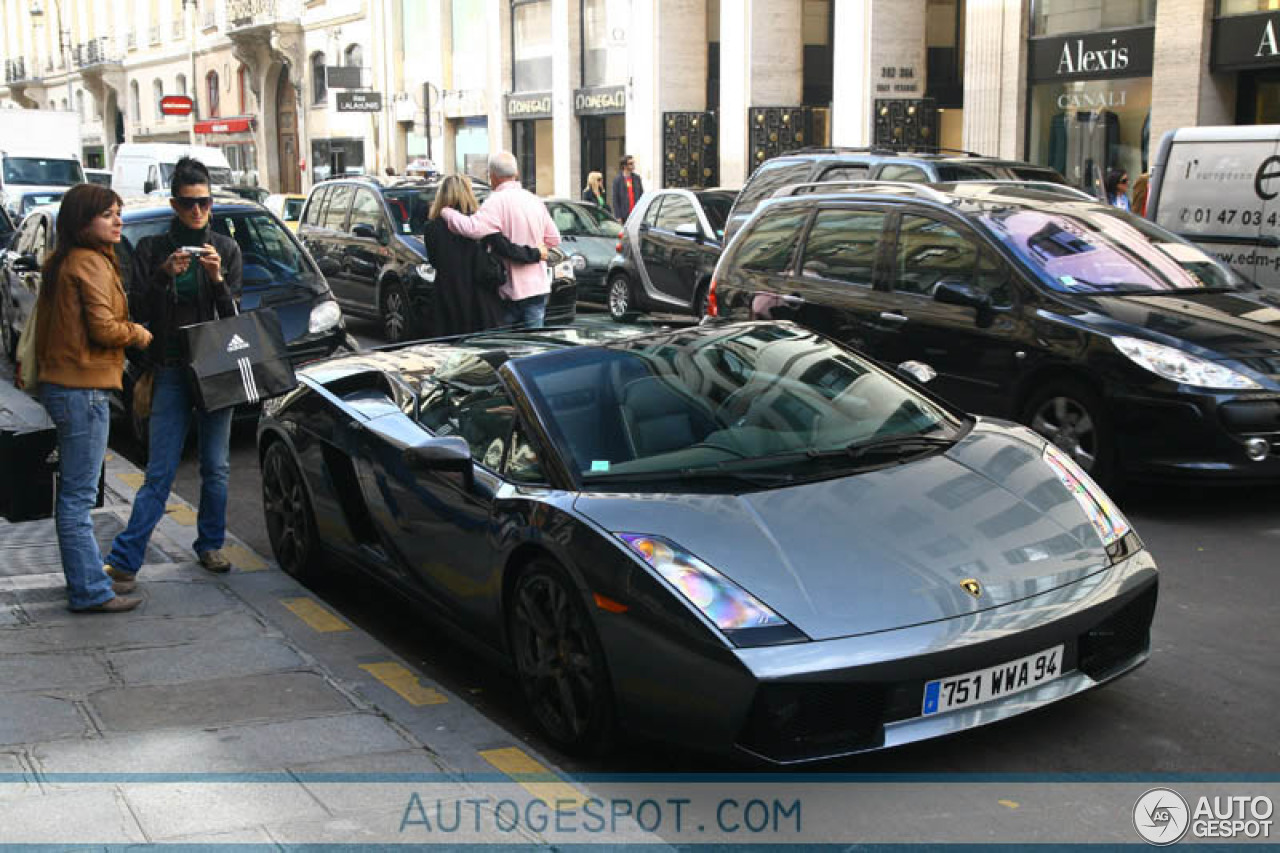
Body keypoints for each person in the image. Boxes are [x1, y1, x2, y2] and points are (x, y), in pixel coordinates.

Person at [104, 157, 243, 586]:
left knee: (216, 468)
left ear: (211, 203)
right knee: (160, 469)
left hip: (215, 370)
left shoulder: (227, 249)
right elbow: (138, 310)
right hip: (170, 368)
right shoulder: (152, 251)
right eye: (188, 204)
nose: (197, 212)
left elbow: (233, 319)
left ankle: (211, 545)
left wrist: (217, 280)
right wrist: (164, 276)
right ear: (174, 204)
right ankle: (127, 560)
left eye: (203, 203)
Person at [34, 183, 152, 612]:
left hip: (68, 386)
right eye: (108, 214)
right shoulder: (89, 263)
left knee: (75, 493)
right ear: (83, 221)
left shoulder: (66, 260)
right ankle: (89, 590)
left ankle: (88, 580)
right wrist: (139, 333)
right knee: (78, 497)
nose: (118, 220)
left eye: (119, 212)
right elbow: (104, 329)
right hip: (82, 389)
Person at [439, 151, 561, 329]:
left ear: (492, 176)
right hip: (538, 286)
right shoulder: (534, 200)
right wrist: (538, 247)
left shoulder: (495, 202)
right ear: (516, 173)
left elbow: (472, 228)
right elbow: (554, 238)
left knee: (503, 343)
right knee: (535, 345)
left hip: (510, 288)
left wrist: (446, 212)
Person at [423, 175, 545, 336]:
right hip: (478, 296)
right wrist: (536, 253)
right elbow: (505, 248)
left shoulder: (431, 227)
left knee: (449, 346)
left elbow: (434, 261)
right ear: (468, 193)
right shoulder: (478, 222)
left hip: (446, 295)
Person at [611, 155, 644, 222]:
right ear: (624, 166)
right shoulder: (617, 180)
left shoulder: (637, 178)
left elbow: (641, 195)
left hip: (636, 213)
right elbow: (615, 199)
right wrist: (618, 216)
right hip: (624, 215)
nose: (633, 165)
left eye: (633, 163)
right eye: (630, 164)